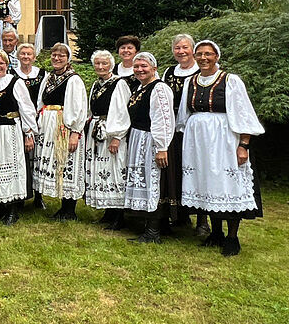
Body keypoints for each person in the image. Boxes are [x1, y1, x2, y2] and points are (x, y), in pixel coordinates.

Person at [177, 40, 264, 256]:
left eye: (208, 54)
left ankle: (232, 238)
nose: (203, 58)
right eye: (200, 54)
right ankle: (215, 233)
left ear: (217, 56)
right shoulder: (191, 81)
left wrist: (243, 145)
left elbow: (244, 115)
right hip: (198, 142)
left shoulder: (231, 80)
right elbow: (183, 115)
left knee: (227, 185)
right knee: (207, 184)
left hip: (224, 140)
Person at [107, 52, 175, 244]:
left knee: (154, 182)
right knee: (143, 180)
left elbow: (163, 119)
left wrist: (162, 147)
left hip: (151, 140)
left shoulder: (159, 88)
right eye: (136, 67)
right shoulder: (140, 88)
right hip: (138, 138)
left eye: (144, 66)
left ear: (154, 68)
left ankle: (154, 230)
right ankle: (147, 225)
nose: (139, 70)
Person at [0, 50, 38, 224]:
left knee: (11, 168)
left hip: (9, 132)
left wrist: (29, 133)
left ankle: (12, 208)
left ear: (7, 65)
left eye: (1, 64)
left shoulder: (15, 83)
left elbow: (26, 109)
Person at [161, 33, 209, 236]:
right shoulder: (169, 72)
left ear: (193, 50)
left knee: (199, 170)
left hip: (196, 129)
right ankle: (180, 215)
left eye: (185, 47)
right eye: (177, 48)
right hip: (173, 129)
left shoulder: (201, 72)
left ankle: (203, 220)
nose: (181, 51)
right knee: (177, 171)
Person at [34, 43, 87, 221]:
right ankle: (62, 207)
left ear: (68, 58)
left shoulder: (73, 79)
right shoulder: (49, 77)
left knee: (66, 162)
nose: (57, 58)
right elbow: (41, 102)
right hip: (48, 125)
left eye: (61, 56)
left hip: (64, 125)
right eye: (54, 55)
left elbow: (79, 108)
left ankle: (69, 209)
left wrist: (75, 132)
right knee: (57, 163)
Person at [84, 50, 129, 230]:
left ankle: (118, 214)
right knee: (101, 169)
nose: (100, 67)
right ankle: (108, 211)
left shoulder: (119, 83)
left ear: (111, 65)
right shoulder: (96, 84)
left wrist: (117, 137)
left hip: (111, 132)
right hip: (96, 130)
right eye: (97, 64)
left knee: (114, 169)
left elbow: (122, 111)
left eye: (104, 63)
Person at [15, 43, 46, 210]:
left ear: (34, 57)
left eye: (29, 54)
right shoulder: (13, 74)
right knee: (22, 157)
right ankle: (21, 193)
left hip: (38, 118)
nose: (26, 57)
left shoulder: (42, 74)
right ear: (18, 56)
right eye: (23, 54)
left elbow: (43, 96)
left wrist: (37, 113)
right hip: (19, 121)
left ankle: (38, 196)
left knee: (38, 157)